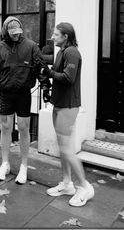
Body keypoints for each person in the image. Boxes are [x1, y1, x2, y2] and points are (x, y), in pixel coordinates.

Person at [0, 16, 51, 184]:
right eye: (13, 33)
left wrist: (45, 86)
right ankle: (5, 163)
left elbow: (41, 67)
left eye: (18, 32)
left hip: (23, 93)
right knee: (6, 127)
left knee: (23, 128)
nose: (16, 35)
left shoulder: (30, 46)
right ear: (5, 31)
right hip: (6, 94)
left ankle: (23, 166)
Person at [42, 22, 94, 207]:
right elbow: (57, 74)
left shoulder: (72, 52)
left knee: (66, 149)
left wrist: (49, 73)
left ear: (65, 36)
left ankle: (85, 186)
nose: (52, 36)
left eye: (56, 34)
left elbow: (68, 77)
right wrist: (47, 81)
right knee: (63, 147)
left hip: (68, 106)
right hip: (59, 104)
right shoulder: (60, 52)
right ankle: (67, 184)